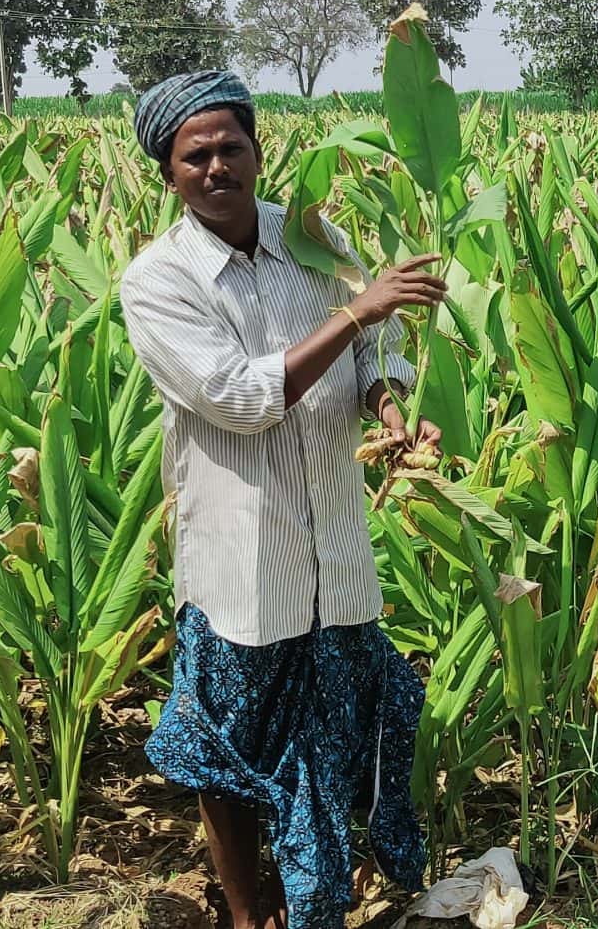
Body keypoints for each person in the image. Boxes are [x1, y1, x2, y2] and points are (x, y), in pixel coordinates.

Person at [118, 70, 449, 929]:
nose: (217, 166)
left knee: (336, 740)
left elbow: (379, 346)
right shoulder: (159, 282)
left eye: (233, 147)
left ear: (259, 151)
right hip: (243, 562)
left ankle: (313, 898)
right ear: (169, 173)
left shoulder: (313, 238)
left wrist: (392, 409)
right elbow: (238, 398)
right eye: (197, 156)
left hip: (336, 552)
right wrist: (355, 313)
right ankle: (239, 909)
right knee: (228, 755)